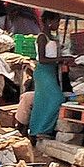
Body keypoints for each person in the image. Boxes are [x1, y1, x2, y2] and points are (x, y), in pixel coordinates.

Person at [27, 12, 67, 142]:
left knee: (42, 102)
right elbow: (43, 59)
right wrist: (61, 59)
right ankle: (41, 129)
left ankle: (38, 130)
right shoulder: (42, 37)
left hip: (50, 71)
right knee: (57, 99)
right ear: (49, 22)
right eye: (57, 22)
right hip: (43, 71)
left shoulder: (52, 37)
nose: (58, 25)